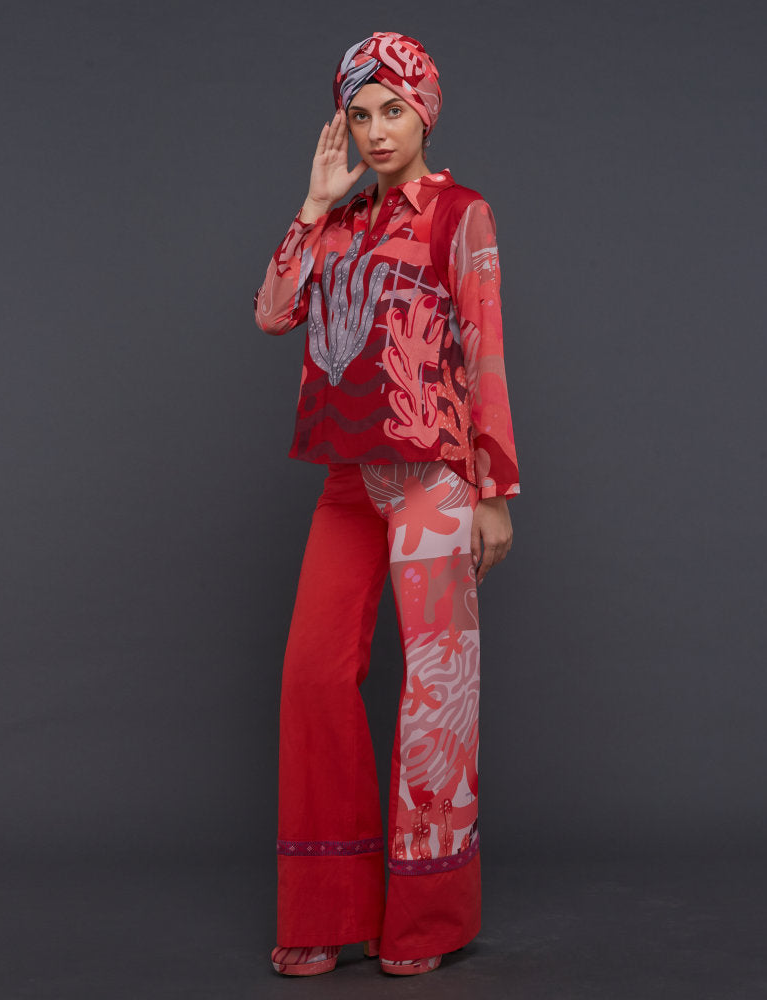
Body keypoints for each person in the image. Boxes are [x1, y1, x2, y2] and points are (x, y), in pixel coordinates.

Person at [253, 31, 520, 977]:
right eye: (359, 114)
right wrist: (314, 204)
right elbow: (273, 312)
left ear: (424, 113)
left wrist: (495, 489)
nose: (376, 131)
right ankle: (328, 910)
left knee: (436, 689)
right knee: (312, 675)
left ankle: (424, 922)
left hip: (435, 480)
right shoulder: (341, 221)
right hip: (348, 481)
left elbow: (484, 349)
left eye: (392, 111)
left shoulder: (460, 213)